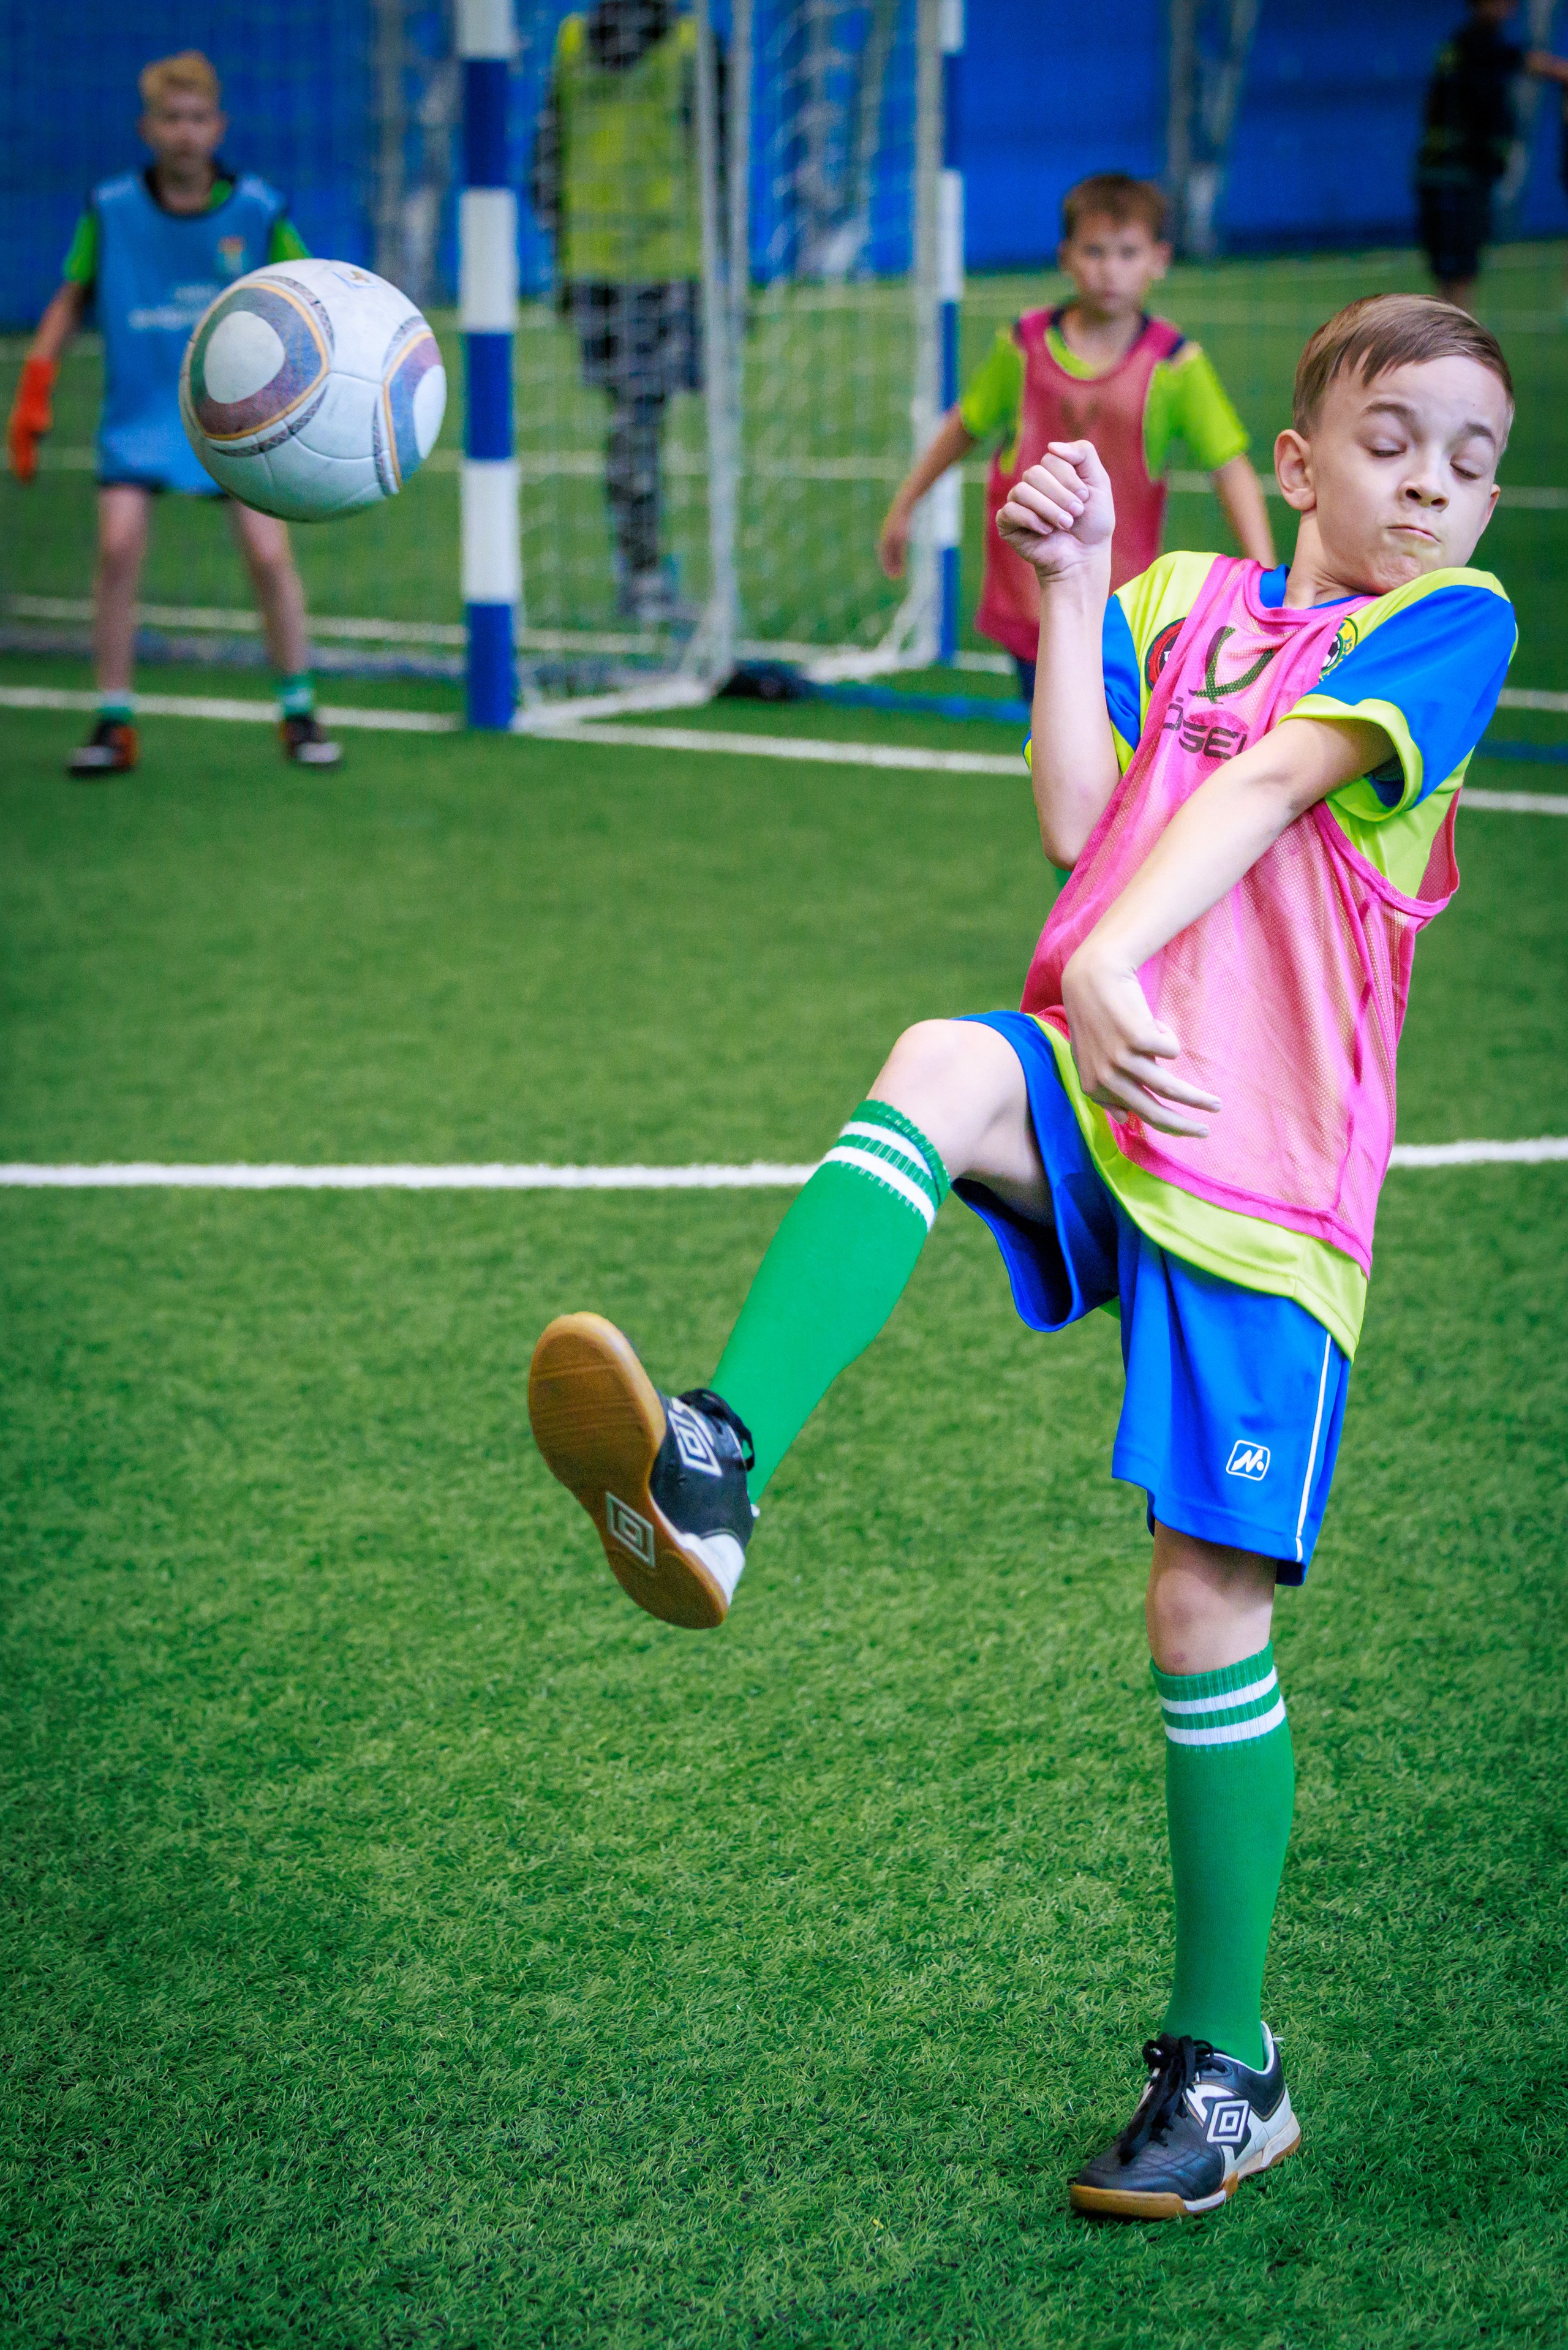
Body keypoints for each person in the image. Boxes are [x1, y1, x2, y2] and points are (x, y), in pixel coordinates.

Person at [527, 292, 1517, 2218]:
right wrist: (1070, 589)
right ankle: (716, 1462)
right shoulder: (1186, 600)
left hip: (1266, 1174)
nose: (1434, 487)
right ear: (1299, 466)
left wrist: (1118, 957)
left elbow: (1255, 793)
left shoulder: (1446, 630)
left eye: (1473, 463)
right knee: (937, 1062)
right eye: (1394, 442)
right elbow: (1088, 817)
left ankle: (1230, 2068)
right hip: (1113, 1093)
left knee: (1198, 1616)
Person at [5, 50, 341, 778]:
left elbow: (310, 295)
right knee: (118, 550)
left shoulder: (257, 208)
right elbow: (70, 297)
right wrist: (35, 390)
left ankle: (299, 709)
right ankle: (114, 718)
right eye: (170, 119)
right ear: (146, 128)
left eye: (197, 118)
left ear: (217, 124)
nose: (185, 133)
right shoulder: (112, 208)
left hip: (239, 421)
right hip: (143, 414)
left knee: (268, 554)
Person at [878, 172, 1275, 702]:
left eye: (1128, 253)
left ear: (1159, 259)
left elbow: (1232, 469)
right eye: (1094, 251)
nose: (1110, 270)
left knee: (1108, 748)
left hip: (1123, 604)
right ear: (1066, 256)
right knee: (1049, 742)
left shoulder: (1176, 365)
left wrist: (1270, 582)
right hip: (1028, 590)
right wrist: (905, 505)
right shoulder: (1022, 346)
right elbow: (963, 429)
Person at [529, 0, 708, 627]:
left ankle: (642, 570)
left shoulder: (574, 40)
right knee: (644, 420)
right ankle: (647, 576)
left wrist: (563, 257)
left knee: (632, 420)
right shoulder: (690, 44)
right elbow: (719, 165)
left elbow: (543, 164)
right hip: (667, 264)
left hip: (593, 266)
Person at [1416, 0, 1568, 312]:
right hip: (1455, 177)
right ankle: (1455, 343)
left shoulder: (1475, 46)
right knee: (1457, 273)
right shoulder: (1473, 45)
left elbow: (1525, 61)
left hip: (1455, 176)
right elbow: (1523, 61)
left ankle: (1451, 336)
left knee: (1456, 272)